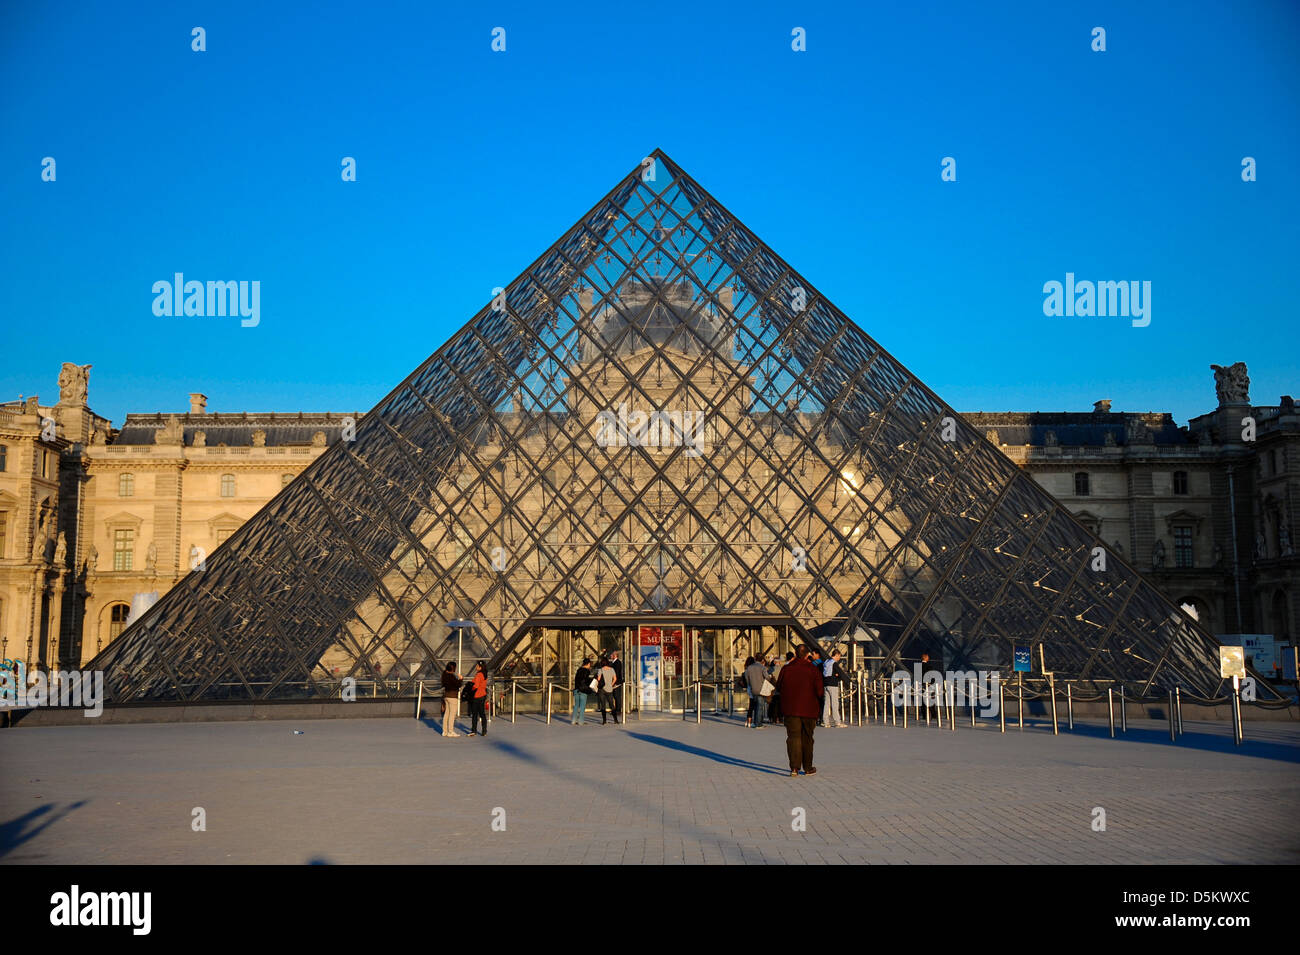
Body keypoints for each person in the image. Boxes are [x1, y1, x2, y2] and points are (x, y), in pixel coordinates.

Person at [775, 645, 823, 776]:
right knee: (807, 738)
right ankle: (808, 767)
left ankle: (794, 768)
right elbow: (820, 691)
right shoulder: (813, 670)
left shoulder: (786, 669)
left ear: (795, 654)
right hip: (809, 709)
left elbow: (778, 686)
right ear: (808, 655)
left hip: (790, 709)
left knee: (793, 738)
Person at [821, 649, 850, 727]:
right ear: (836, 655)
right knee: (835, 704)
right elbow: (840, 673)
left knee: (826, 704)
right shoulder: (834, 664)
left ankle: (826, 722)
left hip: (826, 685)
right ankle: (837, 722)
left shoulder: (826, 662)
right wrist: (838, 677)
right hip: (833, 685)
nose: (839, 658)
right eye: (839, 656)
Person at [745, 654, 769, 729]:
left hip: (753, 688)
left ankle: (755, 722)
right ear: (762, 660)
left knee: (755, 706)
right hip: (761, 689)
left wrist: (751, 683)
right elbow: (767, 678)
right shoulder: (762, 667)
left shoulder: (749, 667)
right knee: (760, 707)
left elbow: (747, 678)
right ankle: (758, 724)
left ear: (755, 658)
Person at [440, 662, 463, 738]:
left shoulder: (444, 675)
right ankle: (450, 731)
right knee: (452, 715)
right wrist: (461, 679)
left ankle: (445, 731)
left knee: (447, 714)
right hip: (452, 696)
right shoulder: (451, 676)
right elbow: (458, 684)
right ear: (453, 668)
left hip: (446, 695)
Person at [596, 656, 619, 724]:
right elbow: (615, 679)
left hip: (602, 689)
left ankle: (604, 721)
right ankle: (615, 720)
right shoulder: (612, 669)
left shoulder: (600, 670)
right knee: (611, 704)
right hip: (609, 689)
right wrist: (611, 684)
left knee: (603, 705)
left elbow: (599, 679)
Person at [469, 662, 489, 736]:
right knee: (482, 714)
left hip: (476, 696)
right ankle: (484, 731)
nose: (476, 667)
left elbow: (476, 686)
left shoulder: (478, 675)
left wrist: (470, 690)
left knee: (474, 714)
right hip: (482, 695)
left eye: (477, 666)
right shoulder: (485, 674)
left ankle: (474, 730)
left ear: (480, 667)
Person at [572, 657, 593, 725]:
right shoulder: (587, 671)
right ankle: (581, 721)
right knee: (582, 706)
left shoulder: (579, 670)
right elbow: (585, 680)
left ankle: (573, 720)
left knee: (576, 706)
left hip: (576, 690)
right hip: (583, 690)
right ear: (588, 664)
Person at [608, 649, 624, 723]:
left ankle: (618, 710)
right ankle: (615, 710)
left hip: (616, 682)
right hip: (614, 682)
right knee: (614, 695)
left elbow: (616, 673)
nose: (610, 656)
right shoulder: (613, 662)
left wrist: (615, 682)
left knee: (617, 696)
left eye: (612, 655)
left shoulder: (617, 663)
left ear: (615, 656)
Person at [742, 655, 757, 727]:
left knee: (751, 705)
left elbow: (747, 680)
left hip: (749, 688)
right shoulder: (753, 669)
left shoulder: (746, 670)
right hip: (754, 687)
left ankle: (748, 720)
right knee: (755, 705)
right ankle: (752, 721)